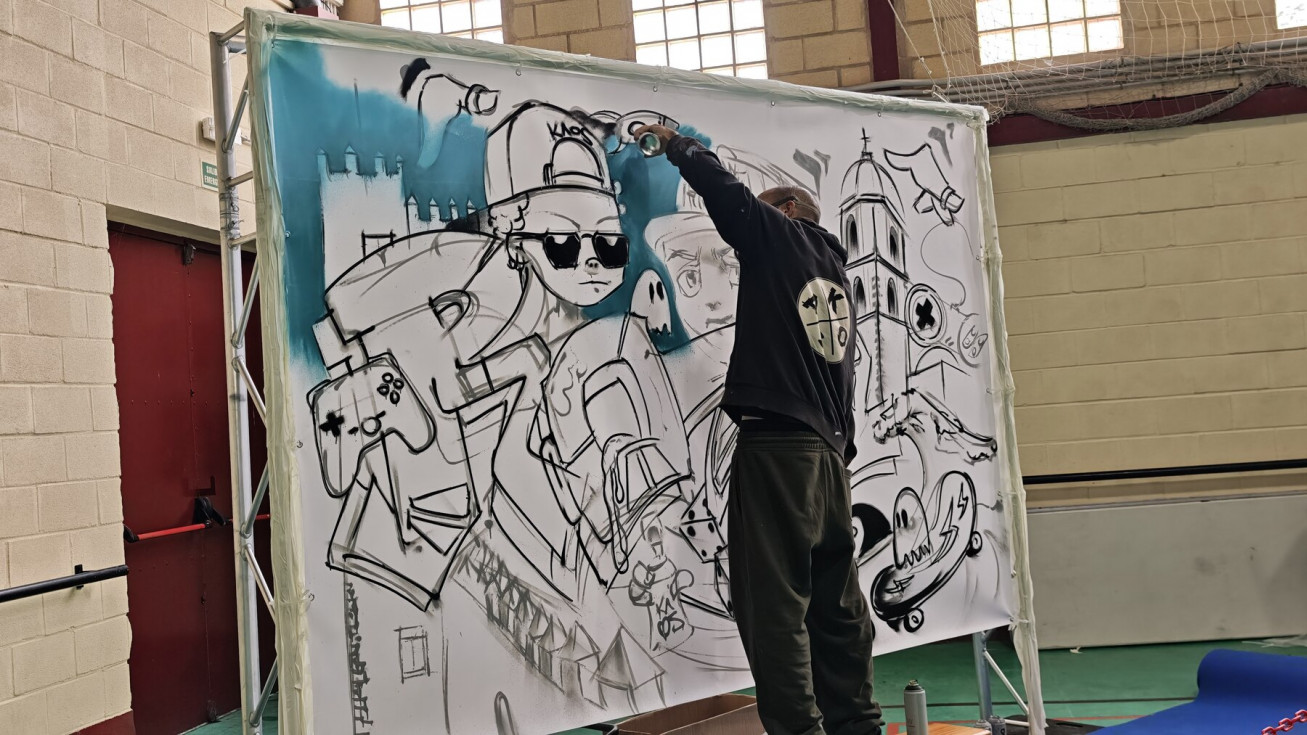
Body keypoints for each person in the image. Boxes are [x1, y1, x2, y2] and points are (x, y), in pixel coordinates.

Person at [634, 124, 884, 735]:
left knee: (773, 603)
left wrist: (678, 145)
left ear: (789, 210)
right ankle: (856, 724)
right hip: (828, 458)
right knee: (836, 605)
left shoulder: (782, 238)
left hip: (778, 447)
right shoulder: (835, 273)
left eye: (768, 210)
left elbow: (729, 198)